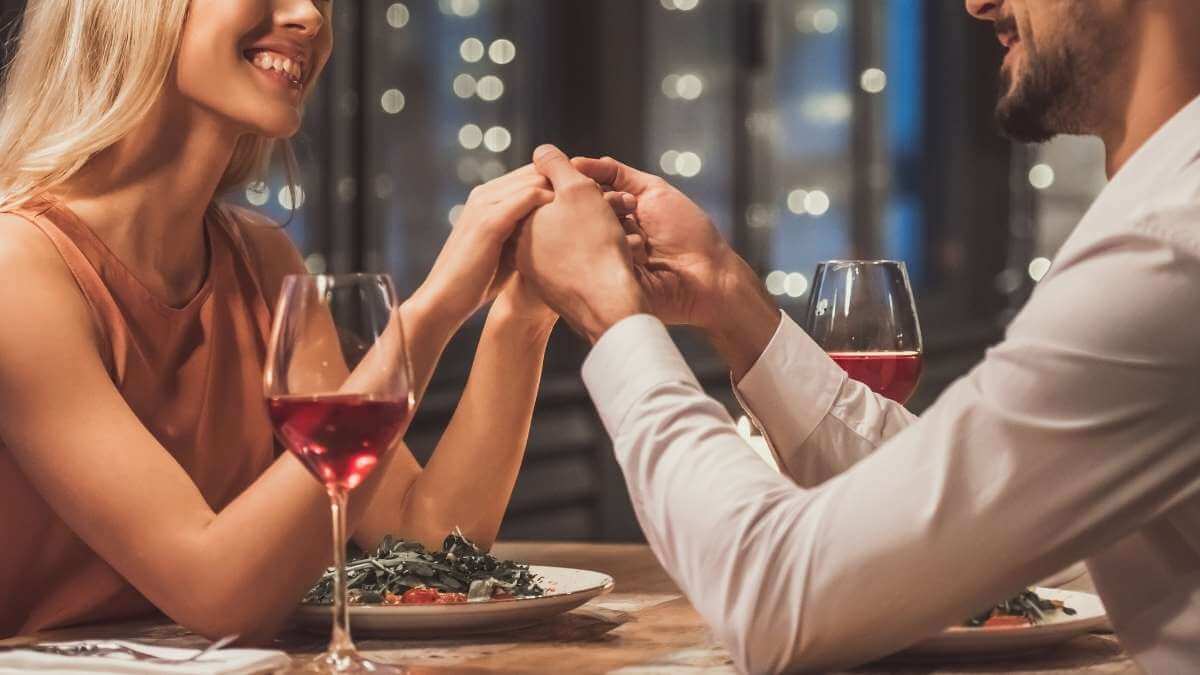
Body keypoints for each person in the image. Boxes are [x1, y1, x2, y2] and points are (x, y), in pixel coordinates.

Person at [514, 0, 1200, 672]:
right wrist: (728, 295)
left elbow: (782, 598)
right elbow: (974, 516)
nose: (977, 3)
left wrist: (615, 318)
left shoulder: (1169, 249)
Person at [0, 0, 640, 642]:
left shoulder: (258, 258)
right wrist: (437, 305)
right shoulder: (17, 267)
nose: (310, 17)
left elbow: (429, 541)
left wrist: (524, 309)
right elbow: (218, 593)